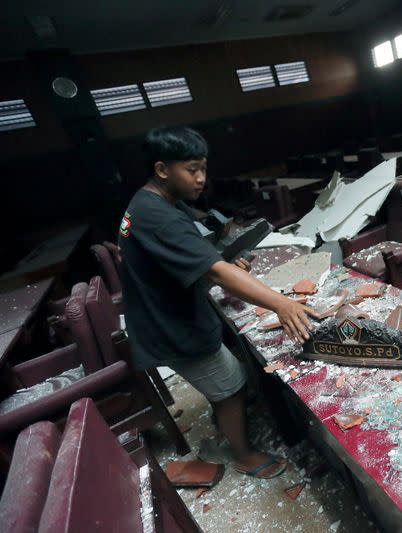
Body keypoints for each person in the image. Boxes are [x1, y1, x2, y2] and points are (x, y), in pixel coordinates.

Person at [118, 126, 318, 478]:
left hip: (166, 312)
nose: (201, 179)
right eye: (192, 169)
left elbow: (185, 253)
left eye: (204, 168)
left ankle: (230, 418)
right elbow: (216, 273)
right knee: (231, 387)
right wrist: (281, 304)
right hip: (171, 326)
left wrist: (214, 257)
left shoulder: (151, 201)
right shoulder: (158, 216)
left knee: (231, 377)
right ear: (162, 170)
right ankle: (243, 454)